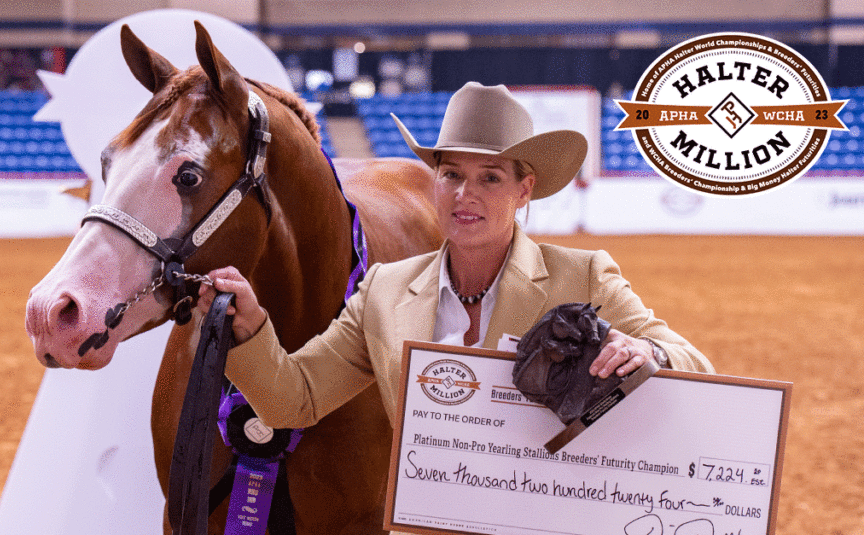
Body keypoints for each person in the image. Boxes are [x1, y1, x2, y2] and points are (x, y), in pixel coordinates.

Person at [197, 82, 714, 433]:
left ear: (524, 190)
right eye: (450, 175)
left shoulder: (584, 277)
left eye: (490, 177)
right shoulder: (383, 290)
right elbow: (295, 400)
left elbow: (698, 367)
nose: (466, 194)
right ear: (435, 182)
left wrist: (653, 356)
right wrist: (250, 327)